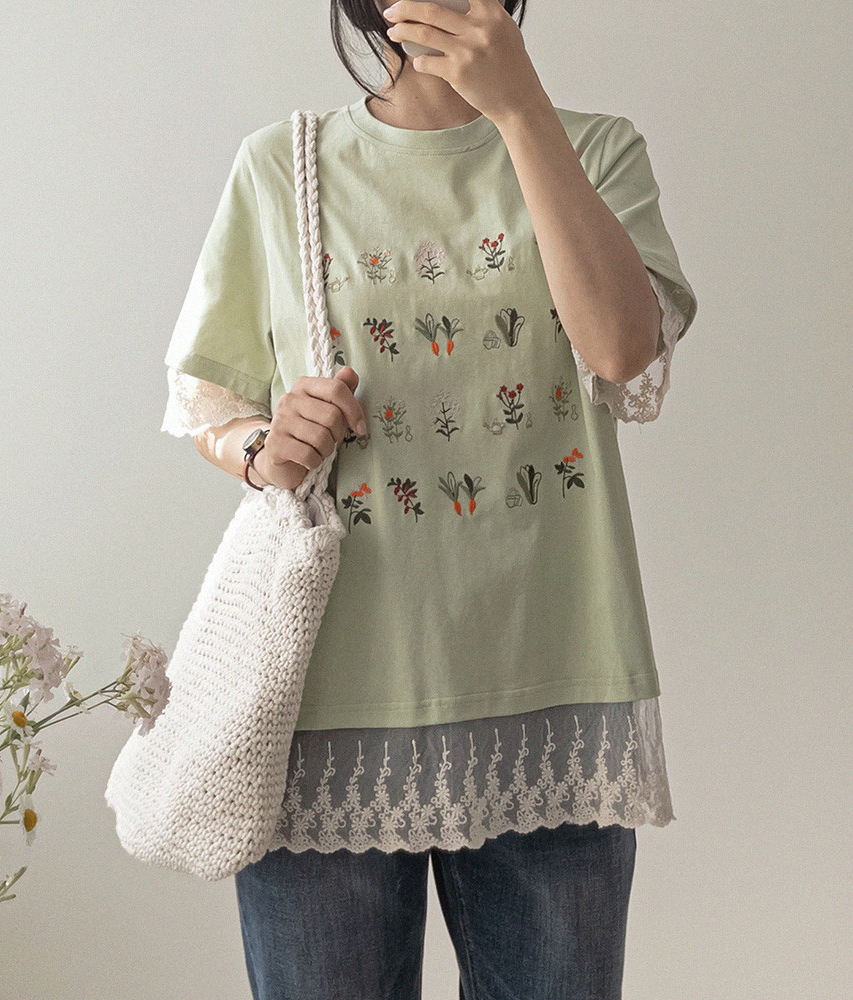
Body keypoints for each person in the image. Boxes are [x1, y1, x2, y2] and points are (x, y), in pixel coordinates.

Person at [161, 1, 698, 997]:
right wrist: (264, 446)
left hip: (552, 695)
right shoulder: (283, 165)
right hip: (326, 712)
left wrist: (520, 109)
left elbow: (622, 349)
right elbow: (206, 398)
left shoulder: (596, 150)